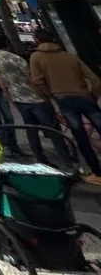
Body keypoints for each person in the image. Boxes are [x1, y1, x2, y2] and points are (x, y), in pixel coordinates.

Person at [29, 30, 101, 185]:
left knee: (80, 135)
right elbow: (94, 79)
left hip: (63, 98)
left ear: (37, 40)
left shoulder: (36, 57)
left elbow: (37, 81)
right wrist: (93, 95)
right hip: (84, 96)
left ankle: (97, 171)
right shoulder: (69, 56)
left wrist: (49, 95)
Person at [0, 33, 71, 166]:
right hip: (34, 97)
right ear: (7, 43)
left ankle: (40, 157)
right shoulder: (16, 58)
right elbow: (31, 78)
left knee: (31, 129)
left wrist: (9, 96)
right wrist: (44, 95)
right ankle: (66, 157)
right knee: (53, 128)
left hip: (17, 97)